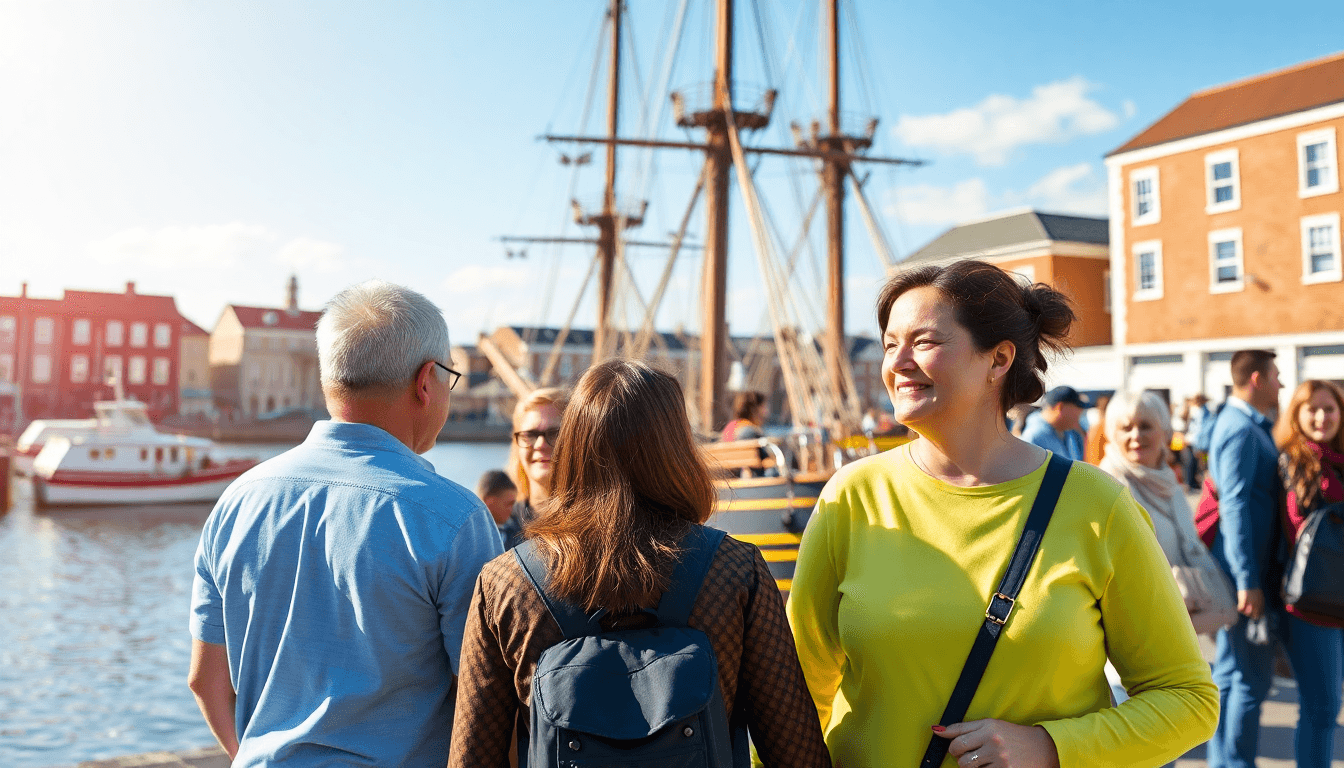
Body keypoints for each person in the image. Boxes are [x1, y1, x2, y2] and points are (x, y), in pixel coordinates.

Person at [788, 260, 1217, 768]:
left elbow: (1189, 700)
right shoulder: (852, 497)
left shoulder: (1097, 507)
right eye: (889, 344)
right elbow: (793, 696)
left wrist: (1051, 747)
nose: (897, 361)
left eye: (924, 342)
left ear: (998, 360)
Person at [448, 360, 831, 767]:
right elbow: (797, 753)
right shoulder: (735, 571)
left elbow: (473, 756)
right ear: (676, 448)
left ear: (573, 445)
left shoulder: (507, 584)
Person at [187, 280, 504, 767]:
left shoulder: (237, 501)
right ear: (426, 381)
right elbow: (487, 698)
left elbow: (206, 680)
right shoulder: (453, 519)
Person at [1098, 390, 1235, 739]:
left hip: (1173, 635)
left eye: (1146, 426)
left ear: (1164, 432)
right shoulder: (1106, 484)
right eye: (1125, 427)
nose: (1135, 436)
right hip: (1128, 650)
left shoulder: (1168, 483)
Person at [1206, 349, 1284, 768]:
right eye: (1276, 375)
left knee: (1234, 676)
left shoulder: (1244, 424)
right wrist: (1246, 579)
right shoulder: (1239, 427)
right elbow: (1233, 506)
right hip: (1244, 575)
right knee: (1248, 680)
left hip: (1243, 571)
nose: (1280, 384)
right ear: (1256, 379)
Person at [1273, 379, 1344, 768]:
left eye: (1329, 408)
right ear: (1296, 416)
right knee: (1321, 707)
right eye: (1311, 409)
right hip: (1311, 605)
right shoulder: (1290, 462)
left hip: (1340, 597)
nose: (1321, 417)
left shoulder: (1341, 460)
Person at [499, 387, 566, 550]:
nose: (541, 444)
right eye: (530, 435)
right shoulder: (496, 531)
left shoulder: (598, 525)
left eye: (554, 433)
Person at [1020, 385, 1090, 460]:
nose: (1080, 414)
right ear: (1060, 407)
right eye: (1078, 408)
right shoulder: (1034, 435)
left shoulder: (1067, 431)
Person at [1187, 394, 1212, 490]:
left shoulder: (1197, 411)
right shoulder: (1203, 412)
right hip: (1200, 442)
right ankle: (1198, 483)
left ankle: (1195, 483)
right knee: (1202, 463)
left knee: (1195, 463)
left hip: (1196, 441)